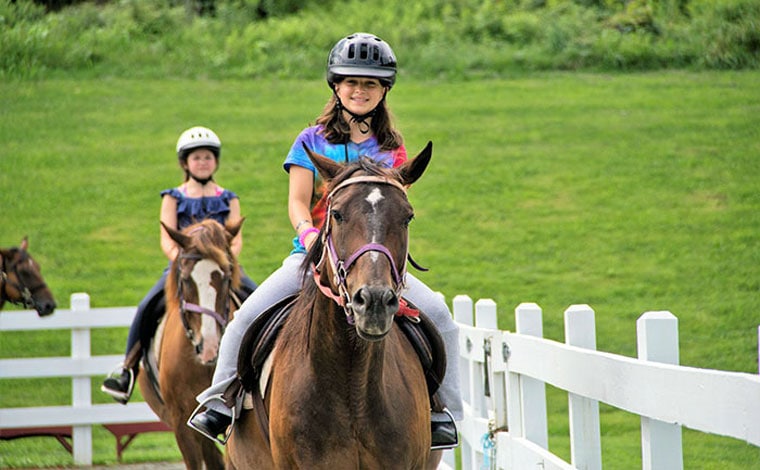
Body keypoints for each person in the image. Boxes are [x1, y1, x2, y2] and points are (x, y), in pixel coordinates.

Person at [188, 32, 462, 450]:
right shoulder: (310, 140)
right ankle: (219, 402)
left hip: (375, 261)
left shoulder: (393, 149)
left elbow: (391, 209)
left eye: (370, 83)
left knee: (440, 315)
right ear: (336, 86)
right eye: (351, 82)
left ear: (383, 90)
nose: (359, 90)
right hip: (313, 258)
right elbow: (298, 203)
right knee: (245, 319)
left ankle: (444, 414)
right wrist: (311, 235)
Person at [101, 126, 258, 404]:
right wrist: (183, 262)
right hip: (184, 269)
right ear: (185, 163)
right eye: (196, 158)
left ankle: (262, 361)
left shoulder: (228, 197)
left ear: (216, 162)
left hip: (221, 270)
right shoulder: (173, 197)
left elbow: (236, 241)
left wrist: (224, 262)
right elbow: (167, 238)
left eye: (208, 157)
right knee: (148, 305)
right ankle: (126, 369)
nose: (203, 162)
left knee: (257, 301)